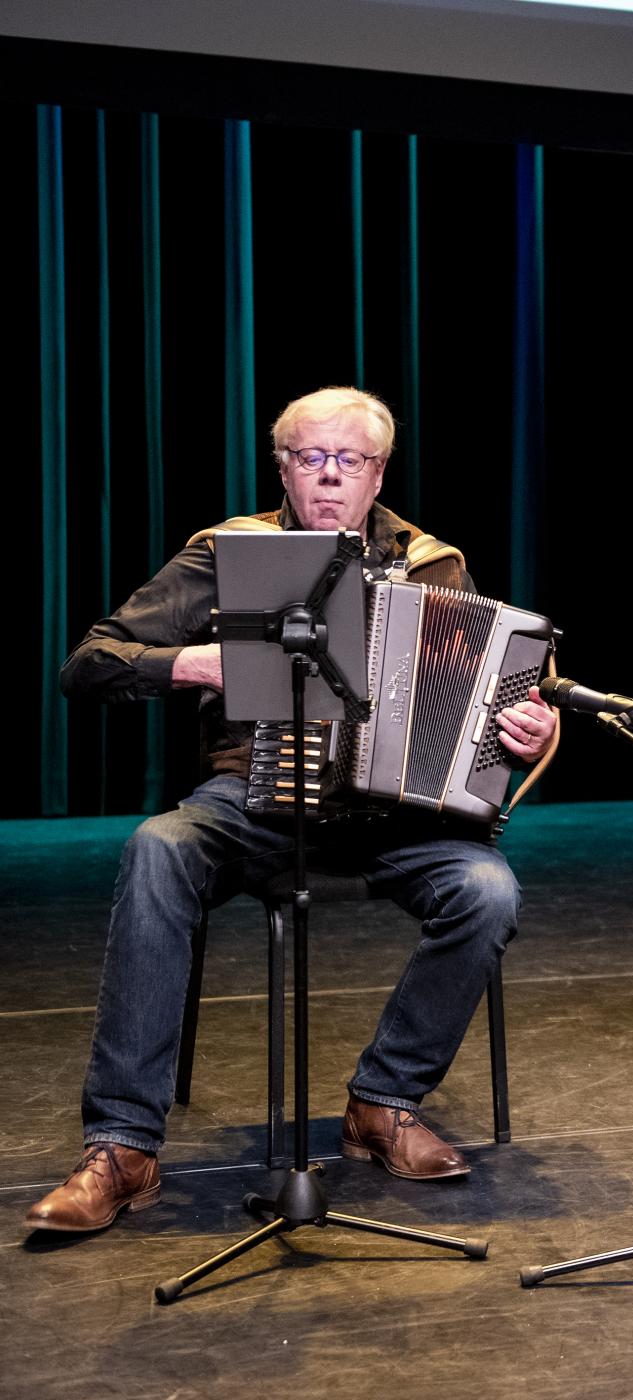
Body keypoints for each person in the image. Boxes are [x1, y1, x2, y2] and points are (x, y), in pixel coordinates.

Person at [27, 386, 557, 1232]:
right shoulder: (232, 551)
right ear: (282, 466)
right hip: (249, 800)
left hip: (393, 819)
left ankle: (382, 1101)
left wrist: (525, 730)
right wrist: (202, 665)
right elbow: (90, 663)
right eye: (310, 457)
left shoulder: (435, 565)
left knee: (486, 889)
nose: (329, 475)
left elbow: (482, 708)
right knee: (158, 848)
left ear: (379, 471)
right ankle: (123, 1147)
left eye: (349, 459)